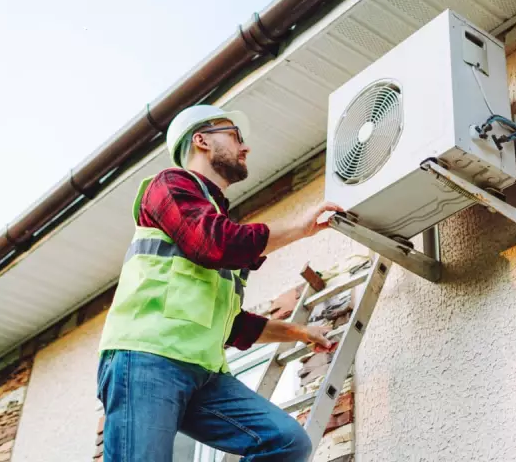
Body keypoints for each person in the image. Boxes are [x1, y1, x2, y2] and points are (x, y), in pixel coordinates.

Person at [97, 104, 343, 461]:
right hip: (148, 359)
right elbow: (213, 243)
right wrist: (298, 228)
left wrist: (298, 332)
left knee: (287, 442)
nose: (246, 147)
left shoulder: (214, 219)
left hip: (203, 374)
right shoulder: (170, 185)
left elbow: (232, 324)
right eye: (235, 136)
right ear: (201, 140)